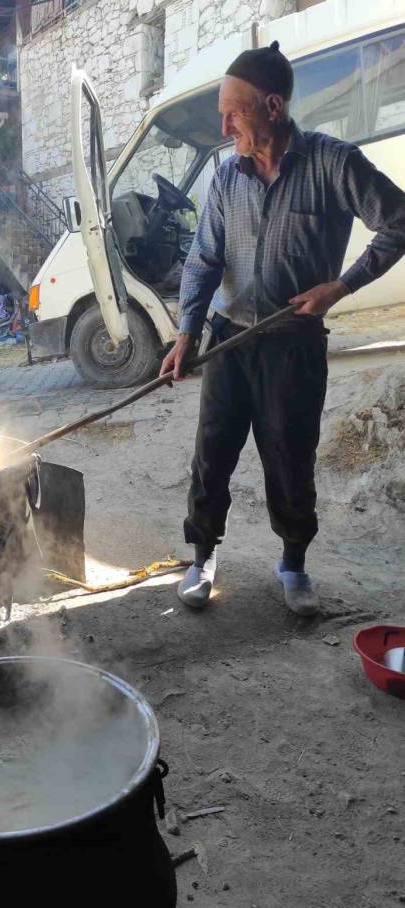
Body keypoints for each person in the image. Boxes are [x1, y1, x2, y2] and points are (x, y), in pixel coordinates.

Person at [160, 40, 405, 616]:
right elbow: (204, 260)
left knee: (290, 455)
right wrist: (186, 334)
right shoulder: (225, 179)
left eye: (233, 111)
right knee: (212, 453)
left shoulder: (333, 163)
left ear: (272, 107)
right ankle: (202, 559)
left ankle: (293, 565)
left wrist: (340, 287)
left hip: (294, 346)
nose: (224, 125)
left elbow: (398, 221)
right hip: (231, 339)